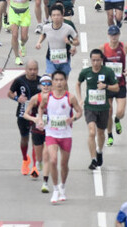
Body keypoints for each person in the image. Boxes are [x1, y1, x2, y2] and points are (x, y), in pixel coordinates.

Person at [25, 70, 83, 204]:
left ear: (65, 81)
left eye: (61, 80)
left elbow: (79, 112)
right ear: (53, 82)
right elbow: (40, 108)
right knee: (53, 160)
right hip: (51, 134)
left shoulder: (70, 97)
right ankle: (55, 189)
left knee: (64, 163)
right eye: (56, 80)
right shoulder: (47, 97)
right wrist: (39, 119)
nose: (58, 83)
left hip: (66, 134)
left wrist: (72, 119)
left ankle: (63, 185)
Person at [77, 48, 118, 170]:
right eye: (93, 60)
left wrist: (105, 86)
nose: (95, 63)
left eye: (98, 60)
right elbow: (78, 83)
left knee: (100, 133)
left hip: (103, 107)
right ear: (90, 60)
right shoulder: (86, 72)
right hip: (90, 107)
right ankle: (93, 159)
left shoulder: (108, 72)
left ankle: (99, 151)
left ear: (102, 60)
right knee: (91, 132)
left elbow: (116, 88)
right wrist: (80, 98)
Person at [8, 58, 42, 176]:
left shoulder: (42, 81)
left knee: (35, 140)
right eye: (30, 69)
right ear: (26, 69)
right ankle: (25, 159)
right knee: (24, 139)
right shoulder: (19, 81)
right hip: (23, 114)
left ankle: (34, 167)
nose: (33, 72)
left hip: (37, 115)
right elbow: (9, 93)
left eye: (35, 69)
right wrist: (17, 98)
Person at [37, 3, 80, 75]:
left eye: (58, 15)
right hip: (50, 59)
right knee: (51, 81)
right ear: (50, 16)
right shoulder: (46, 27)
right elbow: (43, 34)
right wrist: (39, 42)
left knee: (63, 83)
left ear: (62, 16)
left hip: (65, 59)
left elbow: (77, 42)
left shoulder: (68, 28)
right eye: (53, 15)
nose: (56, 17)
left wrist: (70, 43)